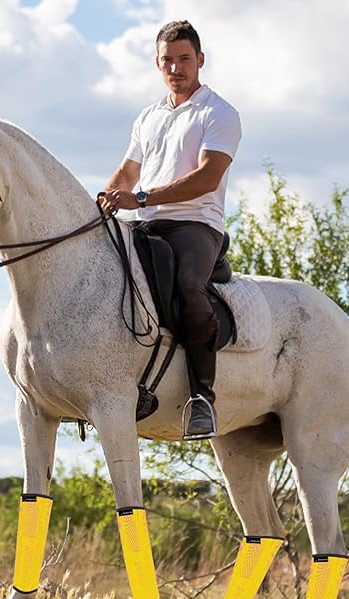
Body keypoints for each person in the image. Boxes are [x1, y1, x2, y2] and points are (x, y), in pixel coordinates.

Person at [99, 20, 242, 438]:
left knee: (187, 287)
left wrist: (141, 198)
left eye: (184, 59)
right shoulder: (149, 116)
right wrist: (103, 203)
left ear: (200, 60)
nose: (176, 68)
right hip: (147, 223)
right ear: (157, 65)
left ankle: (202, 399)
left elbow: (206, 178)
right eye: (168, 61)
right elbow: (127, 172)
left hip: (195, 224)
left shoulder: (219, 113)